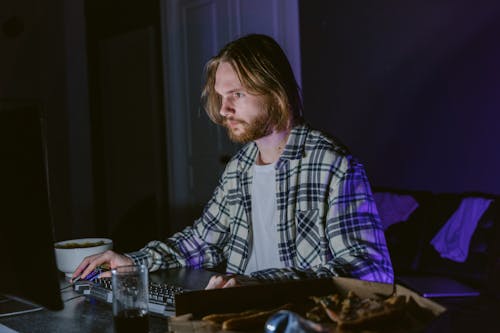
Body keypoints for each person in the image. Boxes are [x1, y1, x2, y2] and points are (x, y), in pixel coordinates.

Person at [72, 34, 394, 288]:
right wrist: (133, 261)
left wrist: (260, 283)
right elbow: (202, 241)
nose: (224, 110)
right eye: (221, 97)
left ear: (274, 90)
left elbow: (369, 270)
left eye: (236, 95)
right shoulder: (239, 169)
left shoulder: (333, 165)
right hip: (240, 319)